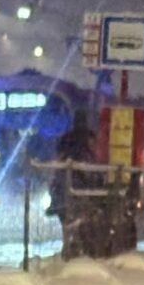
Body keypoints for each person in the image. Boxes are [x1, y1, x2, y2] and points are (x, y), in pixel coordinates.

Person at [50, 109, 96, 259]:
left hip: (65, 183)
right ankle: (78, 244)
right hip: (83, 183)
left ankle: (69, 242)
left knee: (63, 207)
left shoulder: (66, 138)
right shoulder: (89, 137)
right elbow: (94, 158)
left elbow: (59, 159)